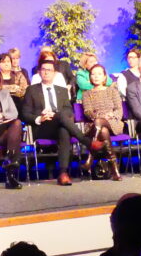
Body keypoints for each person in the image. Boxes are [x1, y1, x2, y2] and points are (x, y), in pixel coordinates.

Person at [21, 58, 92, 186]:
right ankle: (85, 140)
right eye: (43, 70)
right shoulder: (31, 90)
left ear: (54, 73)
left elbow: (69, 110)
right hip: (42, 127)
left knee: (64, 129)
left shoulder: (62, 90)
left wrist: (56, 115)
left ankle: (63, 173)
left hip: (60, 125)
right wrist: (40, 118)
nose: (46, 72)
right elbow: (25, 114)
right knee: (62, 121)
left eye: (49, 70)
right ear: (39, 72)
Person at [80, 63, 123, 181]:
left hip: (113, 122)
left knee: (102, 125)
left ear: (104, 77)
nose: (96, 76)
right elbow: (87, 111)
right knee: (103, 130)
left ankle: (90, 157)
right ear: (90, 77)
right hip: (94, 125)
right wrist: (100, 117)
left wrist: (111, 115)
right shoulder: (86, 94)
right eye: (93, 74)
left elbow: (119, 110)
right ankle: (115, 169)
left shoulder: (112, 90)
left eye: (99, 74)